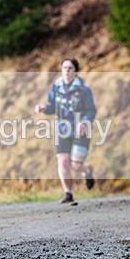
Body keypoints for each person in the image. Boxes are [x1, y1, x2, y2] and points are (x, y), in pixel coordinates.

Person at [34, 58, 96, 204]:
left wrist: (84, 122)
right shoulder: (56, 88)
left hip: (80, 130)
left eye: (70, 68)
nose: (67, 71)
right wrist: (44, 108)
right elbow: (52, 107)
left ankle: (87, 171)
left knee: (75, 166)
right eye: (64, 68)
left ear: (76, 71)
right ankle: (68, 193)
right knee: (63, 161)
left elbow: (91, 110)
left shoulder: (83, 90)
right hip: (62, 130)